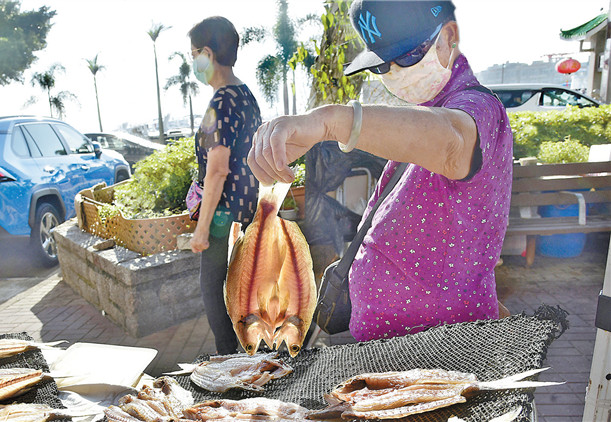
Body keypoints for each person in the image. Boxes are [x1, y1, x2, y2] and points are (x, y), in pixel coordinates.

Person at [248, 0, 513, 342]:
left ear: (449, 36)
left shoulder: (478, 107)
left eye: (407, 56)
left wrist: (331, 121)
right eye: (382, 65)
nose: (396, 73)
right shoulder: (426, 111)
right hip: (388, 343)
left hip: (437, 348)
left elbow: (453, 143)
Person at [188, 16, 262, 355]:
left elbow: (216, 171)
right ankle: (257, 369)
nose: (193, 62)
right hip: (248, 215)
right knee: (245, 300)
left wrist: (202, 231)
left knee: (216, 299)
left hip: (222, 222)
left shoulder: (219, 103)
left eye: (193, 54)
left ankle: (231, 373)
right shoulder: (246, 96)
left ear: (206, 53)